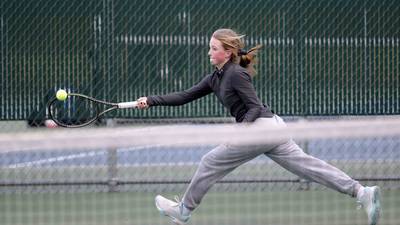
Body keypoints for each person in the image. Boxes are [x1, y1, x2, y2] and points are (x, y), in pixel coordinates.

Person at [136, 28, 381, 225]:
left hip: (261, 127)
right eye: (210, 47)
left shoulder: (235, 74)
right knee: (308, 167)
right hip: (273, 130)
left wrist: (241, 131)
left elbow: (253, 107)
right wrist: (150, 100)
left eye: (213, 48)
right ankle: (361, 192)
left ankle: (184, 210)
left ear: (228, 52)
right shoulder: (215, 78)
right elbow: (184, 96)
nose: (209, 52)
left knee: (210, 161)